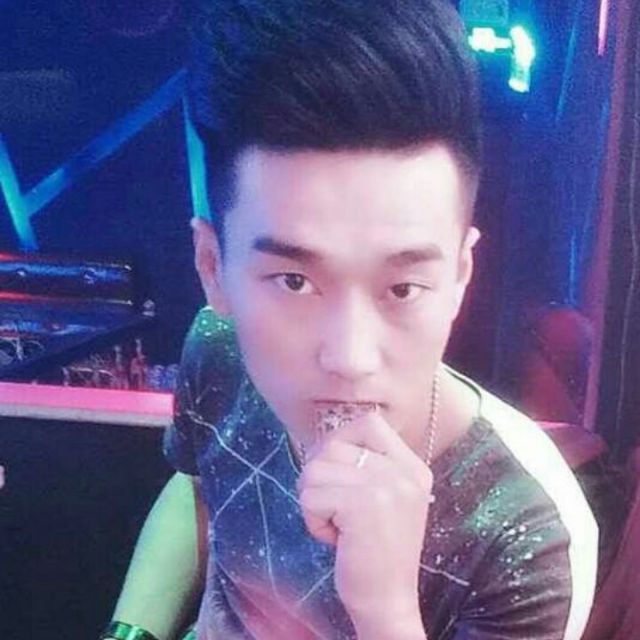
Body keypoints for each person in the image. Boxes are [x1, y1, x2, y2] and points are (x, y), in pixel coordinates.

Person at [104, 1, 598, 639]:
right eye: (294, 281)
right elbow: (198, 489)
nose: (350, 358)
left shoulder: (525, 534)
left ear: (459, 277)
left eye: (402, 287)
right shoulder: (221, 348)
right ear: (213, 267)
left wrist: (386, 612)